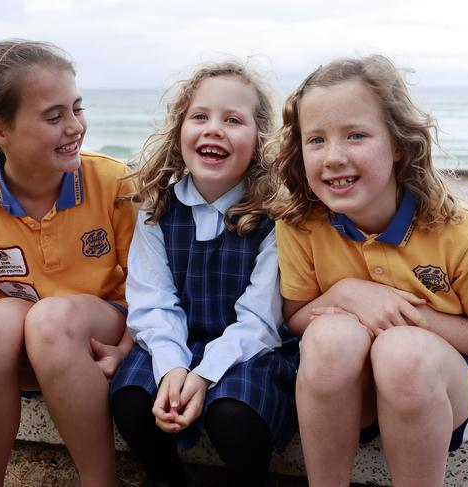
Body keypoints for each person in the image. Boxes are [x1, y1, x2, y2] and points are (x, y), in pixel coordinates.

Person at [267, 55, 468, 486]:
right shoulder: (299, 224)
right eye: (316, 140)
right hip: (346, 393)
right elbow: (296, 318)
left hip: (432, 387)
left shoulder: (464, 233)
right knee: (330, 335)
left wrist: (403, 318)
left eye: (356, 135)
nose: (333, 157)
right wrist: (349, 292)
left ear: (399, 144)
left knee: (402, 352)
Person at [0, 39, 136, 487]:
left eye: (76, 108)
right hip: (23, 349)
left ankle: (101, 481)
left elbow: (151, 289)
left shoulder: (114, 182)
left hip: (97, 337)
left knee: (50, 318)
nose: (75, 126)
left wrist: (126, 348)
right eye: (53, 115)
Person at [108, 62, 298, 487]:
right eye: (200, 116)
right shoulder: (157, 208)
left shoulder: (274, 217)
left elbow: (260, 320)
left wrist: (204, 374)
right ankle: (166, 477)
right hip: (181, 336)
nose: (214, 128)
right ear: (180, 131)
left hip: (254, 348)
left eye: (233, 120)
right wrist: (174, 367)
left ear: (261, 139)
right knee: (134, 396)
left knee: (233, 410)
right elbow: (153, 300)